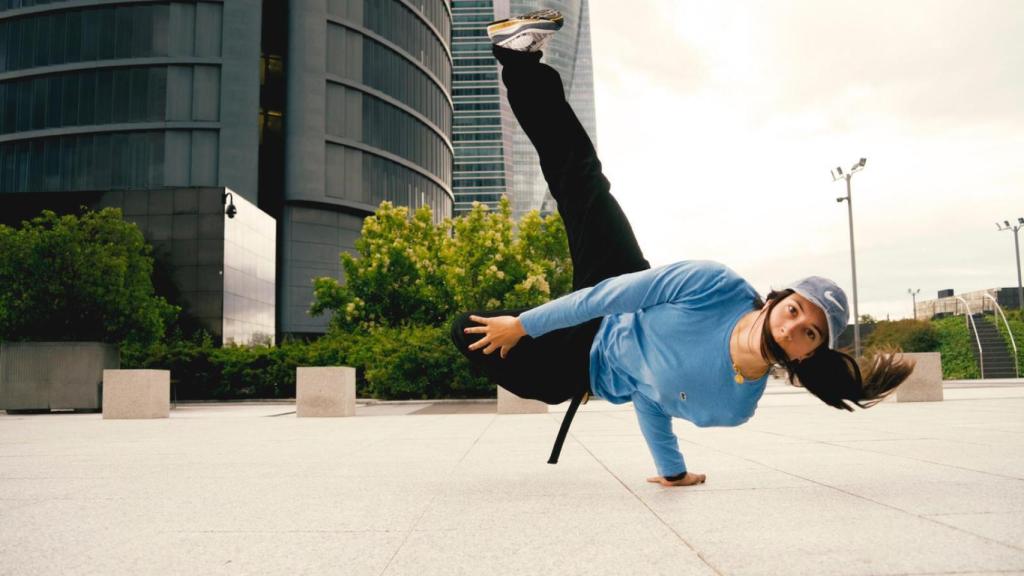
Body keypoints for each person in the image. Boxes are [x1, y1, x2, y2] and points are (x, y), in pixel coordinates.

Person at [450, 10, 915, 488]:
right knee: (582, 180)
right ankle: (518, 58)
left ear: (807, 355)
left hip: (583, 367)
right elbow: (606, 296)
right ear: (776, 300)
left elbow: (652, 394)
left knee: (465, 330)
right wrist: (522, 325)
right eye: (796, 308)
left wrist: (672, 471)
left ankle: (540, 359)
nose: (795, 325)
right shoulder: (715, 285)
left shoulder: (734, 409)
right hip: (617, 288)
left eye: (811, 333)